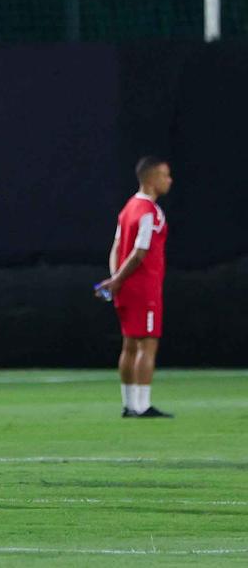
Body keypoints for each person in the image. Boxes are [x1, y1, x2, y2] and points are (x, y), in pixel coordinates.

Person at [95, 156, 174, 418]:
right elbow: (140, 252)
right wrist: (117, 280)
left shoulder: (128, 207)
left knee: (129, 345)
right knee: (147, 345)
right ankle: (142, 405)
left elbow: (117, 247)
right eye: (165, 175)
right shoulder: (149, 211)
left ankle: (129, 404)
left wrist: (114, 279)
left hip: (125, 288)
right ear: (151, 179)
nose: (169, 180)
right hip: (143, 288)